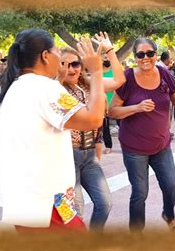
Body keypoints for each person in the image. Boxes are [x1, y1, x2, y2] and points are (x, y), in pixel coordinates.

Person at [0, 29, 106, 232]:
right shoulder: (45, 89)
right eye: (57, 53)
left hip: (20, 198)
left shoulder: (6, 89)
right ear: (45, 56)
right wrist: (96, 72)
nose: (60, 60)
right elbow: (94, 119)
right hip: (47, 201)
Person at [108, 37, 175, 232]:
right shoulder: (127, 77)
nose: (146, 58)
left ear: (155, 54)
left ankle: (168, 215)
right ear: (135, 57)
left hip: (161, 145)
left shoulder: (164, 74)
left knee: (171, 185)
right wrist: (136, 107)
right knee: (140, 193)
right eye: (140, 54)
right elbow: (112, 111)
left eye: (150, 53)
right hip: (134, 148)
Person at [59, 32, 124, 231]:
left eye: (75, 64)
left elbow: (119, 80)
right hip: (65, 157)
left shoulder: (88, 82)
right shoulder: (53, 89)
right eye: (64, 64)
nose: (71, 69)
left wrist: (110, 51)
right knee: (75, 212)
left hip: (88, 156)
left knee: (104, 204)